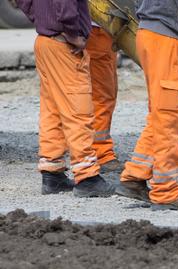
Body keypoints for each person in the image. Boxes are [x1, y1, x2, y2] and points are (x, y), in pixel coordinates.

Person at [117, 0, 178, 210]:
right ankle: (166, 192)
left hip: (152, 33)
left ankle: (135, 176)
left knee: (160, 114)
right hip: (165, 38)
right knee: (170, 117)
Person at [17, 0, 115, 197]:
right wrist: (73, 33)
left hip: (45, 41)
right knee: (77, 110)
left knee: (52, 110)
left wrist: (43, 20)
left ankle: (52, 173)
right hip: (64, 45)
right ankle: (87, 177)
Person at [86, 24, 122, 172]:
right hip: (97, 30)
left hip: (96, 30)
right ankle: (100, 153)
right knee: (102, 97)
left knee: (101, 95)